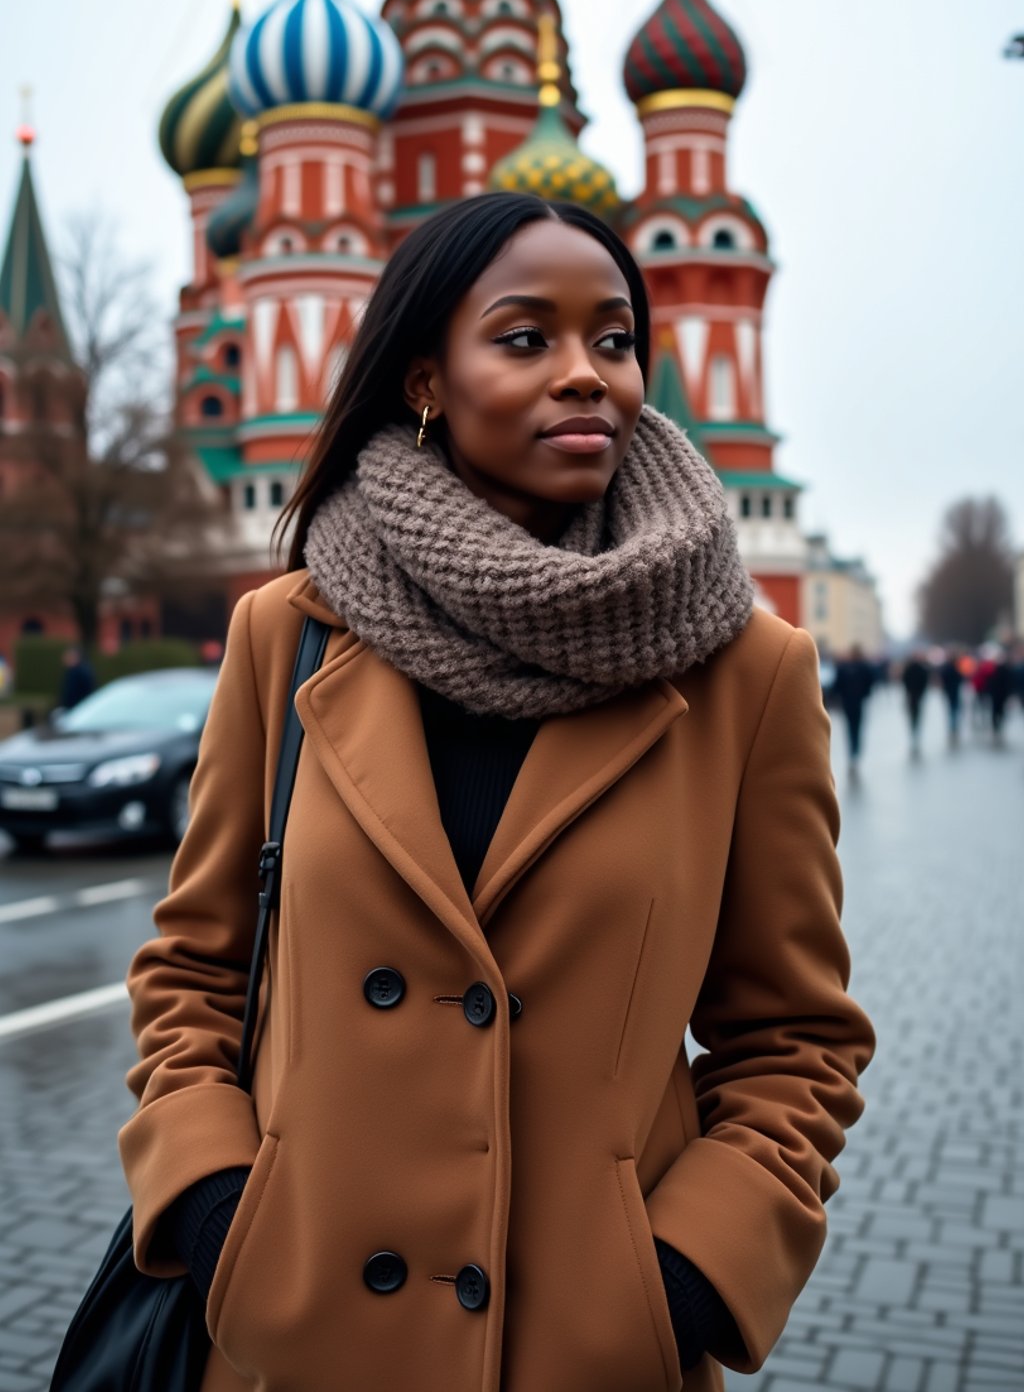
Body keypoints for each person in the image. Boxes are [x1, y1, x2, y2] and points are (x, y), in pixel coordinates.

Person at [117, 194, 874, 1392]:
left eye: (614, 340)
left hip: (586, 1353)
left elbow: (793, 1040)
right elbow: (194, 971)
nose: (587, 376)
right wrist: (217, 1213)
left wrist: (676, 1283)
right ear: (426, 376)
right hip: (293, 1335)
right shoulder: (289, 634)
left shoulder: (745, 670)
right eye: (526, 339)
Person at [832, 643, 875, 775]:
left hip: (851, 702)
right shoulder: (859, 667)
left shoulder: (848, 667)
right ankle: (854, 752)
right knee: (855, 728)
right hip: (854, 702)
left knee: (852, 728)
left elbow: (838, 685)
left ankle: (853, 752)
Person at [901, 651, 930, 756]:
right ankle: (916, 734)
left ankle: (914, 734)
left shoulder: (909, 669)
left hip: (912, 696)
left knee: (913, 717)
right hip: (917, 696)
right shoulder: (921, 669)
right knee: (917, 717)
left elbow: (904, 681)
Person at [937, 649, 965, 745]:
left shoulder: (946, 667)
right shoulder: (957, 667)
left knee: (952, 711)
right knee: (955, 710)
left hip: (949, 692)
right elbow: (961, 678)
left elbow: (942, 679)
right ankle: (953, 727)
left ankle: (952, 727)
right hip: (954, 691)